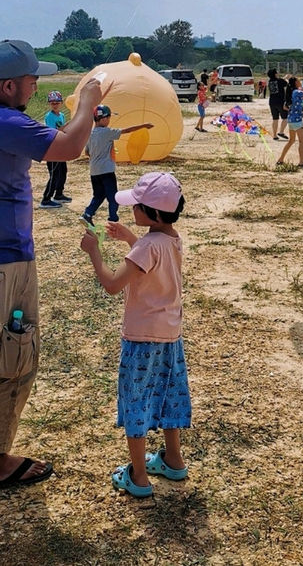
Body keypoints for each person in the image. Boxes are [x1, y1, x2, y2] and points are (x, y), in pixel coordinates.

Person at [0, 39, 103, 489]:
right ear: (10, 85)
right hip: (0, 261)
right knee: (9, 354)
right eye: (33, 80)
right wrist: (87, 100)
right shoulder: (1, 121)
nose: (36, 87)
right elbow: (69, 146)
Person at [80, 172, 191, 499]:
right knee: (170, 394)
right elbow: (152, 261)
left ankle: (139, 476)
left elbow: (113, 285)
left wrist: (94, 253)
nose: (131, 210)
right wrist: (131, 238)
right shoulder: (172, 238)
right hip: (170, 336)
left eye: (137, 207)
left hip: (141, 340)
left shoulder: (146, 247)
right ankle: (173, 459)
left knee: (137, 401)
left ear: (154, 214)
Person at [82, 105, 153, 225]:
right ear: (103, 119)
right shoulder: (107, 132)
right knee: (113, 197)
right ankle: (113, 219)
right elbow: (126, 130)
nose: (109, 120)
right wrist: (144, 125)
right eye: (109, 117)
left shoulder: (90, 134)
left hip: (94, 171)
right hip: (107, 171)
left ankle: (88, 214)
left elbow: (87, 152)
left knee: (98, 195)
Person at [39, 91, 72, 208]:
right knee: (54, 175)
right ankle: (46, 199)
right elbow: (54, 132)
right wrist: (68, 125)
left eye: (57, 102)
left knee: (63, 172)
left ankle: (59, 194)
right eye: (52, 103)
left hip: (61, 148)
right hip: (52, 149)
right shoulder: (49, 117)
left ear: (61, 103)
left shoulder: (61, 115)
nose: (55, 105)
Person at [267, 68, 288, 140]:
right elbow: (286, 84)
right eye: (277, 72)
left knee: (275, 119)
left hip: (272, 102)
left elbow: (279, 81)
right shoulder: (280, 81)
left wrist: (284, 78)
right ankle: (281, 132)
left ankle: (274, 135)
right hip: (280, 102)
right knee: (285, 118)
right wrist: (286, 78)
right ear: (275, 74)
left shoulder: (269, 81)